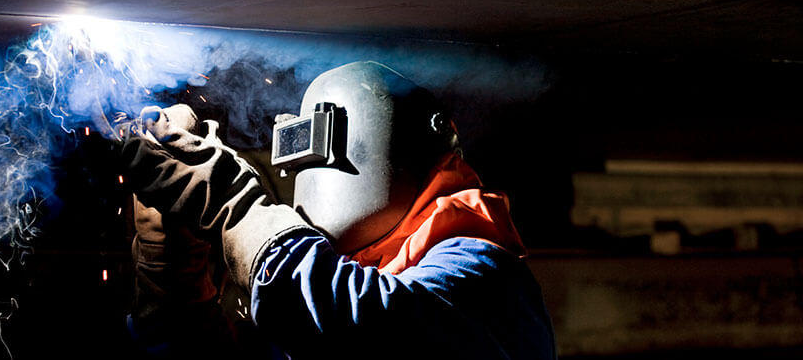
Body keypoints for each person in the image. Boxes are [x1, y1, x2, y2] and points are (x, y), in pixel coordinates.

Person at [121, 61, 556, 359]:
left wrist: (232, 205)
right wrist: (172, 276)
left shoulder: (482, 274)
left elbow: (359, 324)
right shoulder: (344, 268)